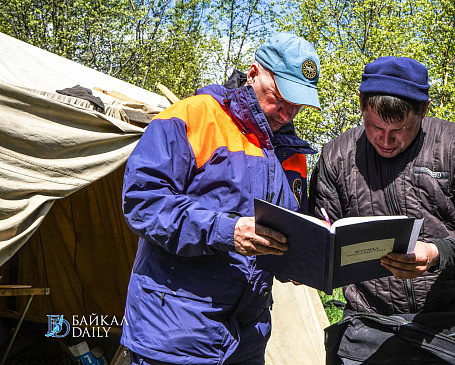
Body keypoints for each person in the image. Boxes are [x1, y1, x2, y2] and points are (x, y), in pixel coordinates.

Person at [121, 33, 320, 365]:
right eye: (279, 98)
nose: (286, 114)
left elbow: (280, 235)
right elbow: (144, 203)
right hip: (175, 335)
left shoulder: (292, 155)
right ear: (254, 73)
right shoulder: (193, 116)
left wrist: (301, 262)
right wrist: (227, 231)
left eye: (297, 105)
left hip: (247, 339)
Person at [308, 56, 455, 363]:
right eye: (375, 127)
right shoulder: (336, 155)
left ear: (423, 110)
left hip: (450, 324)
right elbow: (321, 230)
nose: (386, 141)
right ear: (361, 104)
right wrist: (306, 259)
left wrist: (436, 253)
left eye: (400, 130)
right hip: (366, 325)